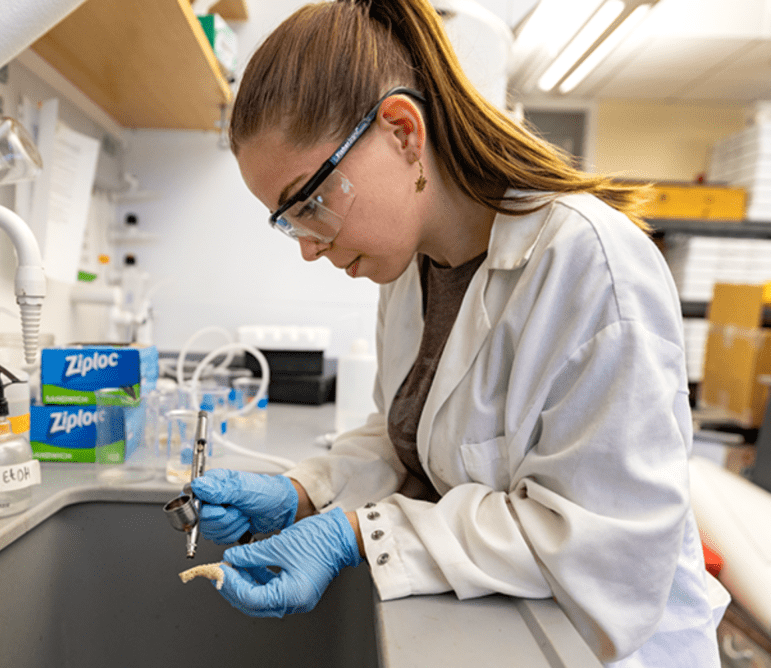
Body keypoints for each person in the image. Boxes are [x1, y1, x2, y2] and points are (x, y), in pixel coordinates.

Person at [187, 1, 730, 665]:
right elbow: (408, 440)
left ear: (402, 132)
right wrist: (304, 491)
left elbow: (599, 546)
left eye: (312, 202)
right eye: (288, 220)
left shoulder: (588, 263)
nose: (307, 247)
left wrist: (357, 533)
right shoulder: (410, 269)